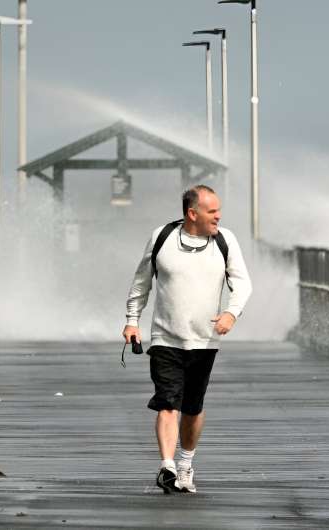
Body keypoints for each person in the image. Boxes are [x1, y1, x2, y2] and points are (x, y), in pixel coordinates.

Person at [123, 184, 252, 494]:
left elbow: (243, 284)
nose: (219, 216)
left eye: (219, 211)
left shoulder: (225, 241)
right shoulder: (162, 238)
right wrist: (132, 320)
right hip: (165, 338)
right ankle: (167, 466)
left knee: (192, 407)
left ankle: (185, 463)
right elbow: (142, 283)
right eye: (212, 211)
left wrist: (231, 313)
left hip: (204, 341)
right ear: (192, 213)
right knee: (168, 402)